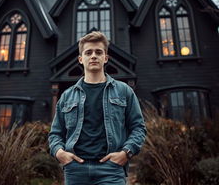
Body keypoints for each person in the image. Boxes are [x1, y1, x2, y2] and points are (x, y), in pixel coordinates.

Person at [48, 31, 146, 185]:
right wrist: (60, 153)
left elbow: (138, 127)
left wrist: (125, 153)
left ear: (105, 58)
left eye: (98, 52)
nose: (93, 56)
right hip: (75, 170)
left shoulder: (124, 91)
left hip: (111, 170)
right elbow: (55, 133)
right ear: (81, 59)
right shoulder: (67, 96)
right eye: (88, 52)